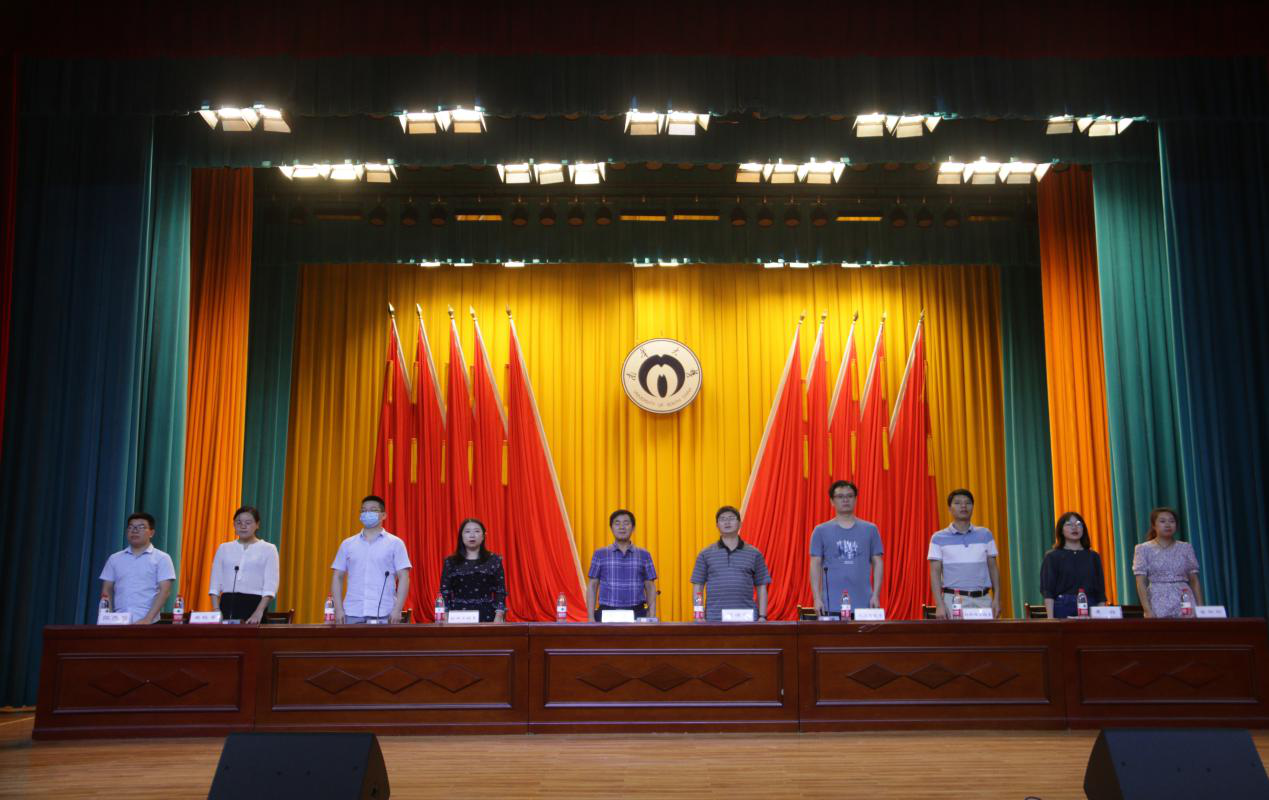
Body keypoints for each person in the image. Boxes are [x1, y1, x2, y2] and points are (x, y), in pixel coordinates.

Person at [330, 495, 412, 624]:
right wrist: (339, 609)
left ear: (383, 515)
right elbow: (337, 577)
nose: (367, 513)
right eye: (364, 510)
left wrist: (397, 609)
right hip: (352, 612)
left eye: (373, 510)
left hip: (384, 613)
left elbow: (404, 577)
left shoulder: (395, 543)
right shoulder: (347, 544)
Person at [809, 481, 884, 617]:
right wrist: (816, 598)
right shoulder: (820, 531)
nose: (845, 500)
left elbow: (878, 562)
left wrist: (876, 595)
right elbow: (815, 564)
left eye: (849, 496)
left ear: (855, 499)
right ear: (832, 501)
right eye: (840, 496)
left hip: (864, 603)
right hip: (830, 603)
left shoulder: (870, 529)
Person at [928, 488, 1001, 618]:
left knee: (986, 632)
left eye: (968, 503)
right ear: (949, 508)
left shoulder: (985, 534)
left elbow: (993, 569)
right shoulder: (938, 538)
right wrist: (939, 604)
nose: (963, 506)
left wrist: (997, 599)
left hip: (983, 600)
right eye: (957, 503)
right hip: (954, 601)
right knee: (956, 633)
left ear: (973, 507)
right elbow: (935, 573)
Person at [690, 506, 771, 621]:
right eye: (722, 519)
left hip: (747, 618)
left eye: (731, 518)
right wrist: (698, 615)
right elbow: (698, 588)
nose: (727, 522)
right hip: (714, 619)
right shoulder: (705, 554)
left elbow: (761, 586)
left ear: (740, 524)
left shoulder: (754, 553)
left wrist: (762, 616)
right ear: (717, 525)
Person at [99, 512, 176, 624]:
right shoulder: (114, 558)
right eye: (131, 527)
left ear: (151, 533)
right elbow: (107, 589)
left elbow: (165, 591)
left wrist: (147, 619)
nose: (135, 531)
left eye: (141, 527)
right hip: (119, 621)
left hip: (149, 622)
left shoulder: (162, 558)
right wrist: (108, 618)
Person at [209, 505, 280, 624]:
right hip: (227, 604)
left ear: (257, 525)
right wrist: (216, 610)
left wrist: (259, 611)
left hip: (254, 605)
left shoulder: (269, 549)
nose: (243, 526)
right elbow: (214, 584)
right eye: (239, 522)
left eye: (248, 522)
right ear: (234, 525)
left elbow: (270, 586)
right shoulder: (224, 548)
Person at [587, 509, 657, 621]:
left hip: (637, 613)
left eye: (626, 523)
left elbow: (650, 586)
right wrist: (590, 617)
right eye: (617, 523)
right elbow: (592, 586)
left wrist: (652, 615)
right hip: (607, 613)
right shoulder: (600, 554)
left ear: (633, 528)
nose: (622, 527)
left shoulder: (644, 555)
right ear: (611, 528)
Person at [1132, 506, 1203, 618]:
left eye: (1172, 521)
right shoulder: (1143, 549)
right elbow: (1140, 582)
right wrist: (1147, 610)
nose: (1168, 525)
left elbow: (1194, 580)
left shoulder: (1185, 547)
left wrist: (1201, 608)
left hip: (1184, 598)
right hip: (1157, 599)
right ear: (1154, 525)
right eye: (1162, 521)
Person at [1039, 511, 1107, 618]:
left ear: (1083, 529)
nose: (1074, 527)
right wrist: (1050, 619)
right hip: (1063, 607)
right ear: (1061, 530)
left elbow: (1100, 593)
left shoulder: (1093, 557)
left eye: (1078, 524)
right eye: (1069, 524)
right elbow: (1048, 592)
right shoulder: (1052, 557)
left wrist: (1101, 618)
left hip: (1090, 608)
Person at [439, 518, 507, 622]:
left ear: (483, 536)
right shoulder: (450, 562)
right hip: (458, 615)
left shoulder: (494, 560)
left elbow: (500, 591)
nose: (472, 535)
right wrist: (446, 616)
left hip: (487, 615)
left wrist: (499, 616)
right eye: (467, 531)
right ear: (461, 536)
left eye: (476, 531)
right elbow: (445, 592)